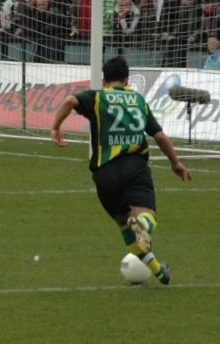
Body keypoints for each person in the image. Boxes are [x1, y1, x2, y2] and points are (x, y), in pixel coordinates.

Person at [51, 56, 192, 285]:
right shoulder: (137, 100)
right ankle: (143, 226)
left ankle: (159, 271)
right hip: (134, 167)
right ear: (127, 80)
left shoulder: (97, 97)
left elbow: (69, 101)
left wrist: (56, 128)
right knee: (146, 218)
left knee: (124, 224)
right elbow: (158, 135)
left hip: (104, 173)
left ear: (104, 80)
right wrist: (175, 163)